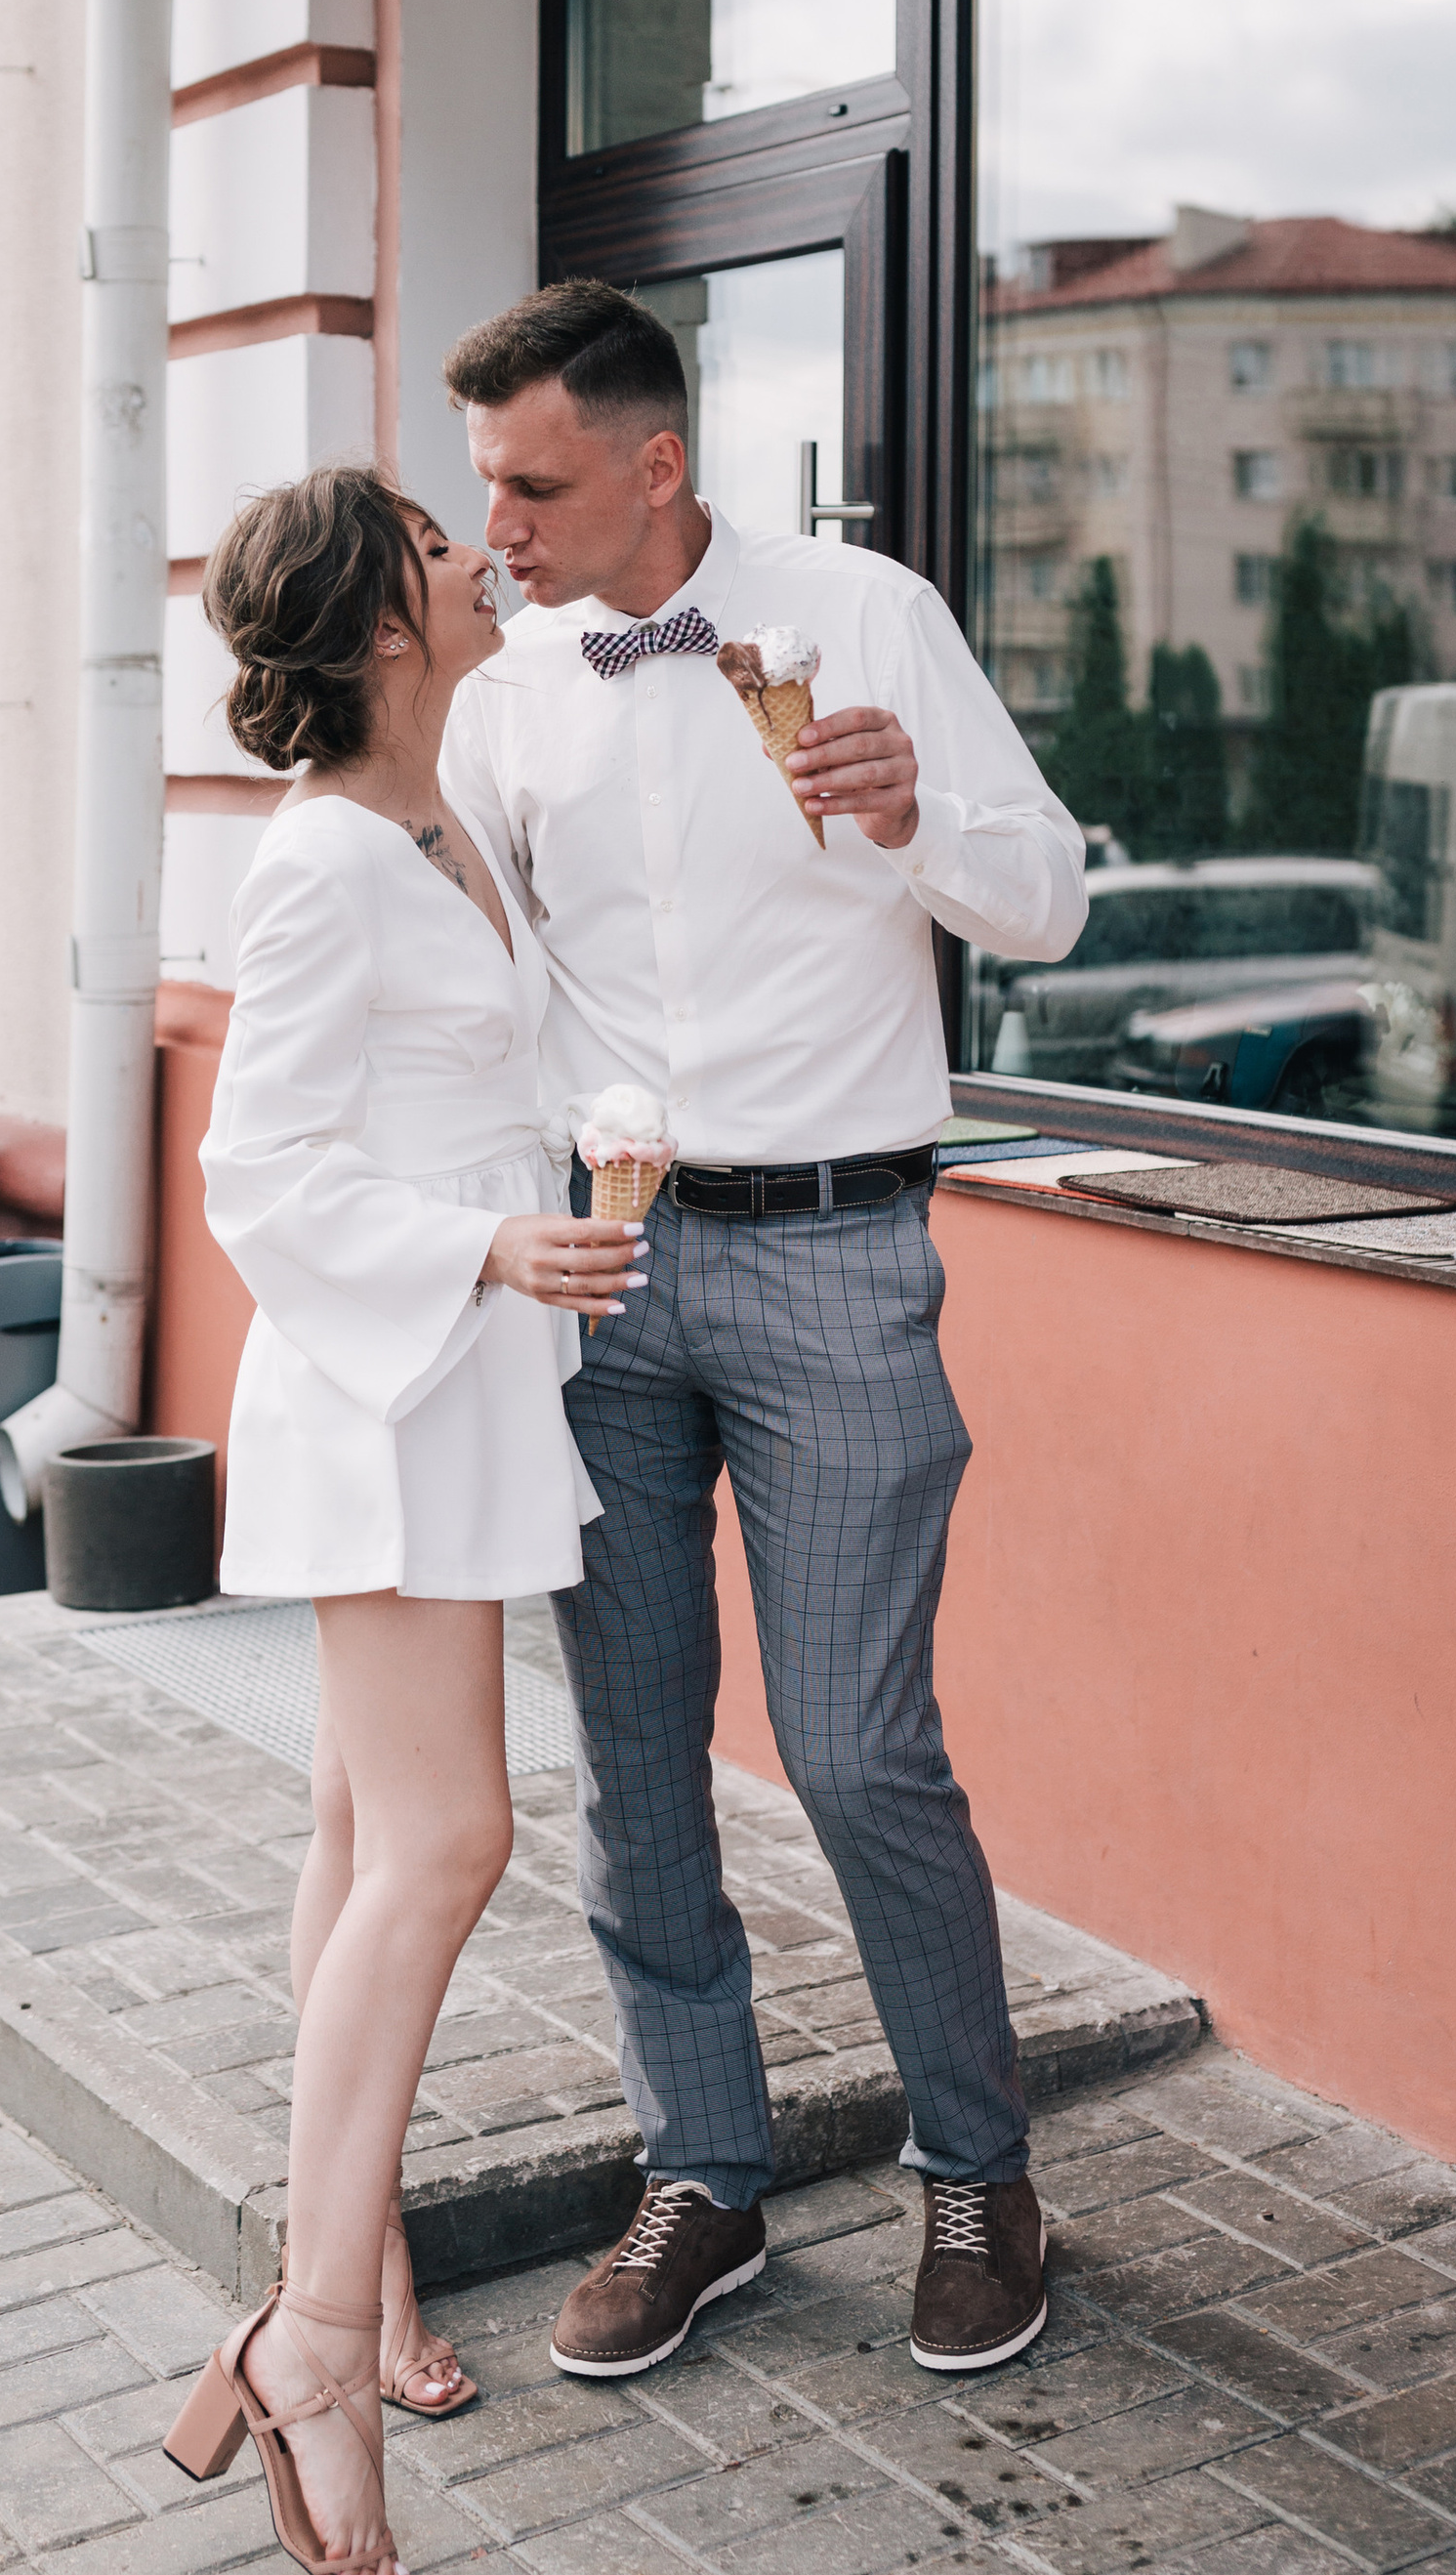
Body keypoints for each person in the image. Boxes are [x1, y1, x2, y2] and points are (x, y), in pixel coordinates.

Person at [439, 281, 1089, 2384]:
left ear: (652, 464)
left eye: (530, 486)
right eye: (480, 491)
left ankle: (977, 2174)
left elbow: (1047, 896)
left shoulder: (863, 612)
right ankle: (698, 2175)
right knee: (630, 1760)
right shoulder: (499, 688)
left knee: (853, 1748)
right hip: (603, 1265)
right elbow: (479, 992)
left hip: (832, 1253)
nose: (499, 531)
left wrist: (921, 819)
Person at [162, 463, 644, 2575]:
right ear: (379, 624)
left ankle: (365, 2256)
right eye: (443, 547)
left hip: (457, 1372)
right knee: (452, 1847)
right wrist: (486, 1253)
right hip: (387, 1394)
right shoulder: (324, 865)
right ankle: (312, 2340)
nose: (479, 558)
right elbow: (251, 1180)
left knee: (369, 1837)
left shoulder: (443, 817)